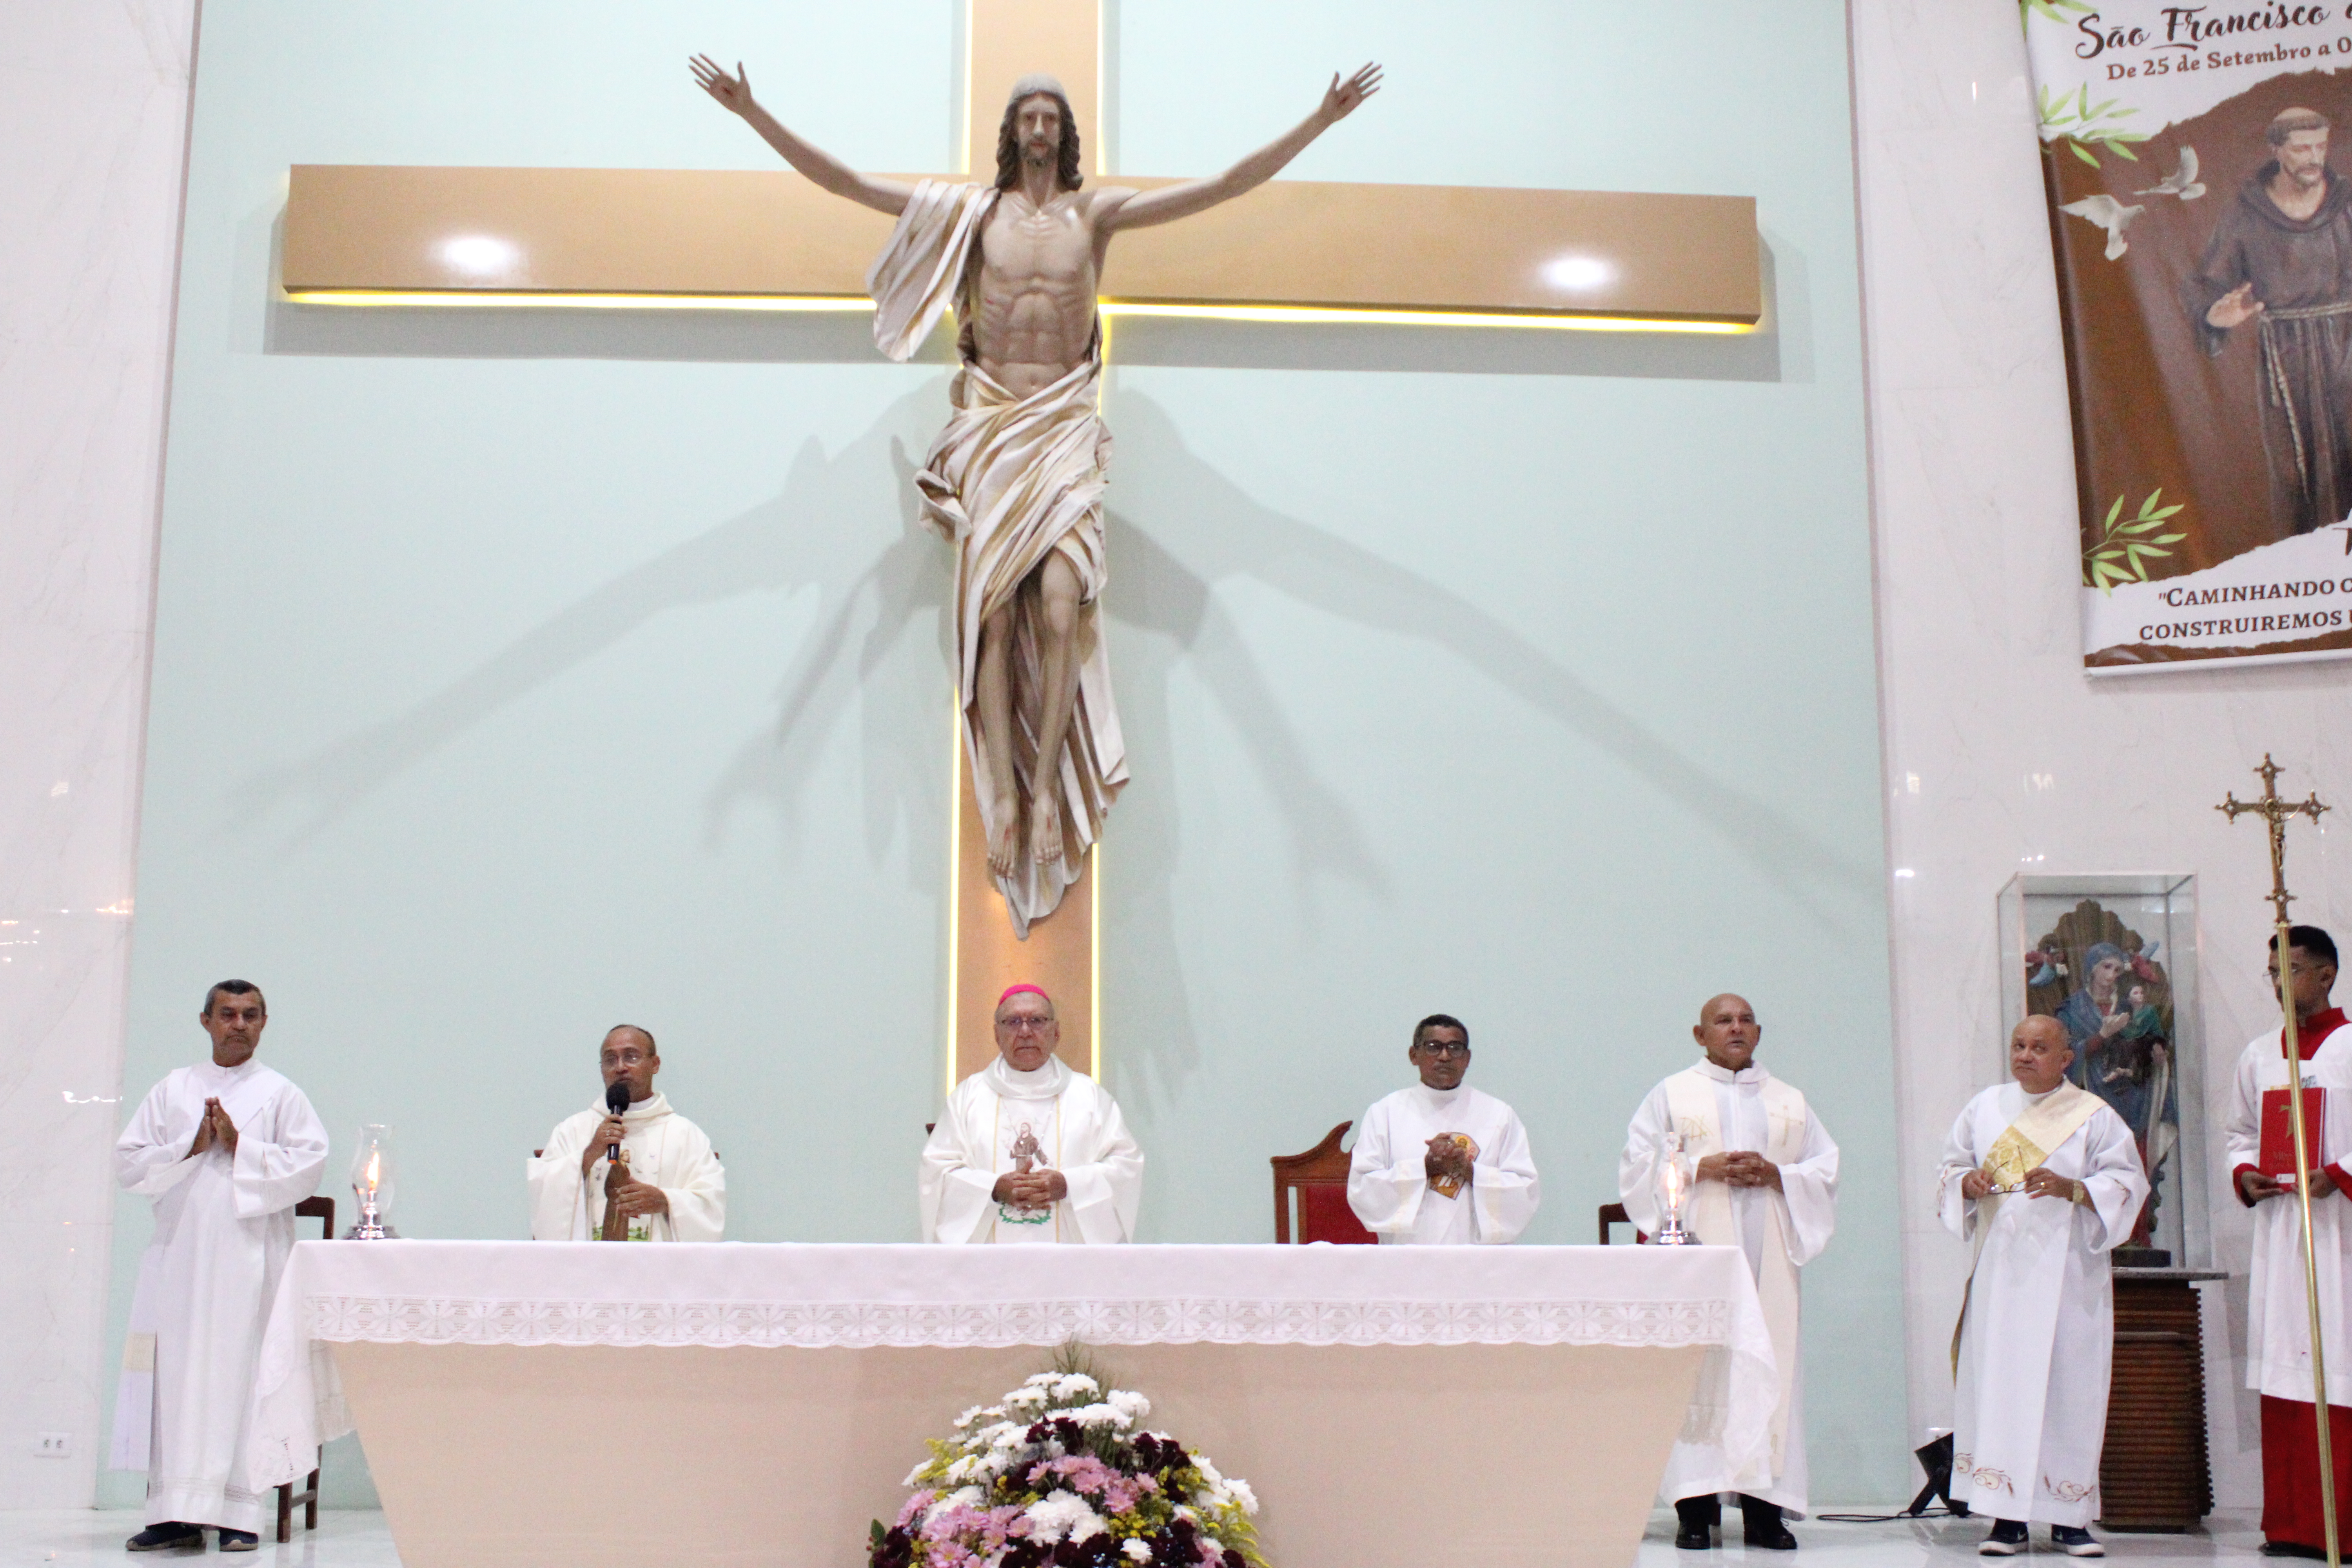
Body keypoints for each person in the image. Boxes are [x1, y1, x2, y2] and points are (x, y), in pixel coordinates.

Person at [690, 54, 1379, 935]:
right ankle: (1007, 791)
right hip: (991, 424)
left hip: (1061, 425)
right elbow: (848, 184)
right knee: (996, 615)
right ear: (1012, 133)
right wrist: (755, 112)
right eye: (1029, 117)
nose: (1041, 129)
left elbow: (1222, 188)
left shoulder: (1097, 215)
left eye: (1054, 117)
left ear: (1067, 133)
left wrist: (1318, 121)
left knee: (1062, 604)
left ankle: (1048, 779)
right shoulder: (972, 214)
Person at [111, 980, 328, 1553]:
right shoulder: (174, 1090)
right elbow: (129, 1164)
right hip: (180, 1259)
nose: (239, 1025)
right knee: (177, 1376)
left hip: (251, 1261)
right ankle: (174, 1513)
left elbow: (309, 1168)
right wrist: (192, 1143)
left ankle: (239, 1512)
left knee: (244, 1374)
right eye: (227, 1014)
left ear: (264, 1024)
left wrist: (242, 1147)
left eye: (250, 1015)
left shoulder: (282, 1095)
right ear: (205, 1021)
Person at [1621, 994, 1840, 1552]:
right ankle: (1695, 1508)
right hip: (1698, 1259)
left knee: (1770, 1368)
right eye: (1723, 1021)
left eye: (1745, 1021)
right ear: (1701, 1035)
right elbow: (1636, 1168)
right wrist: (1700, 1167)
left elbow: (1824, 1168)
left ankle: (1766, 1512)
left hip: (1769, 1256)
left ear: (1759, 1033)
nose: (1735, 1028)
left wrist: (1777, 1174)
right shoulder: (1671, 1095)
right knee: (1700, 1370)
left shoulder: (1788, 1100)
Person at [1940, 1015, 2150, 1558]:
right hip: (2001, 1276)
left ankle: (2069, 1517)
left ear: (2066, 1058)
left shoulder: (2093, 1115)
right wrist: (1967, 1182)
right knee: (2002, 1387)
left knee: (2068, 1389)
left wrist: (2074, 1188)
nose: (2026, 1055)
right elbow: (1950, 1166)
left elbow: (2129, 1180)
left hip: (2068, 1279)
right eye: (2018, 1045)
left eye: (2039, 1047)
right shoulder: (1985, 1107)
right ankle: (2006, 1519)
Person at [2224, 926, 2352, 1559]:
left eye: (2293, 969)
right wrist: (2246, 1171)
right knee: (2287, 1369)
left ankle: (2344, 1528)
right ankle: (2294, 1524)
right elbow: (2240, 1133)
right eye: (2273, 970)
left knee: (2340, 1366)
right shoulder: (2258, 1055)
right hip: (2282, 1233)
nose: (2280, 982)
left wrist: (2341, 1173)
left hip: (2342, 1237)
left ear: (2326, 975)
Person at [2189, 107, 2352, 539]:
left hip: (2350, 349)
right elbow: (2209, 283)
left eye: (2321, 146)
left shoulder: (2347, 202)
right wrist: (2214, 314)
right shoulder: (2246, 214)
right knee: (2297, 475)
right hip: (2288, 358)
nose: (2314, 157)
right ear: (2277, 150)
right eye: (2302, 149)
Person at [920, 985, 1143, 1243]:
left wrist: (1068, 1185)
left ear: (1056, 1032)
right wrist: (993, 1189)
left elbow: (1125, 1166)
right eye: (1013, 1022)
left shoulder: (1090, 1098)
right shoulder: (968, 1098)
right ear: (997, 1034)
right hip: (987, 1269)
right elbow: (937, 1173)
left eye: (1037, 1021)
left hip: (1070, 1267)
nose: (1025, 1032)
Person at [1345, 1013, 1539, 1244]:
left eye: (1455, 1048)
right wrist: (1426, 1167)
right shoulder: (1385, 1113)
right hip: (1407, 1259)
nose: (1445, 1056)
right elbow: (1363, 1190)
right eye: (1433, 1047)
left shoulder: (1499, 1115)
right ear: (1413, 1055)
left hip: (1479, 1263)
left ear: (1467, 1058)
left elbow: (1525, 1192)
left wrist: (1468, 1170)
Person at [527, 1025, 725, 1242]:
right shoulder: (573, 1130)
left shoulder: (685, 1135)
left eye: (631, 1057)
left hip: (659, 1270)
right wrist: (588, 1156)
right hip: (586, 1270)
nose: (620, 1067)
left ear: (655, 1064)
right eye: (610, 1060)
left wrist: (665, 1201)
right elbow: (543, 1200)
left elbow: (711, 1203)